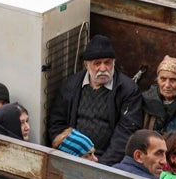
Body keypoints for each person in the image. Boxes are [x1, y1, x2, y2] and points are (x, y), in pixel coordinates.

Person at [46, 34, 142, 167]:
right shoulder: (71, 86)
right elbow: (57, 125)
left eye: (107, 62)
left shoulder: (128, 90)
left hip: (109, 162)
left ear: (114, 63)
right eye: (97, 63)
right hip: (74, 157)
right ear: (86, 65)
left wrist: (101, 165)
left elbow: (126, 134)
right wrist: (76, 156)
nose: (103, 68)